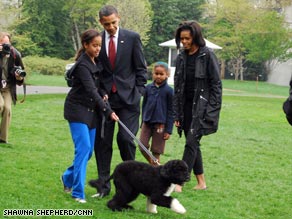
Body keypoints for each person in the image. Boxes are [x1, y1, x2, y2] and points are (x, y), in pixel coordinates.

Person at [90, 5, 147, 198]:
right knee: (103, 143)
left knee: (125, 139)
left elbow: (141, 69)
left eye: (113, 23)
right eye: (106, 24)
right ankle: (103, 187)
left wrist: (139, 91)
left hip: (129, 100)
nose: (111, 27)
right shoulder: (96, 40)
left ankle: (132, 183)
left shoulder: (132, 38)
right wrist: (100, 92)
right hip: (106, 100)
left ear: (119, 18)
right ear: (101, 23)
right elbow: (95, 69)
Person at [61, 29, 119, 203]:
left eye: (99, 46)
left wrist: (104, 93)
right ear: (85, 45)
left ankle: (67, 177)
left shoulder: (95, 62)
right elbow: (91, 90)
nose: (97, 49)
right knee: (84, 149)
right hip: (77, 110)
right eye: (94, 45)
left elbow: (98, 86)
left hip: (92, 113)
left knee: (88, 153)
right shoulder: (82, 65)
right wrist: (108, 111)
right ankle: (78, 193)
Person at [173, 21, 222, 192]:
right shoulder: (180, 57)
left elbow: (216, 85)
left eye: (187, 38)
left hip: (201, 106)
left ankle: (179, 182)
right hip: (185, 106)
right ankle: (201, 182)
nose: (184, 42)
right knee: (192, 142)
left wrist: (212, 111)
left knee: (191, 142)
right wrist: (177, 114)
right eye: (181, 39)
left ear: (195, 37)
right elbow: (177, 87)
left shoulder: (207, 55)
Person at [139, 61, 174, 166]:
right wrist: (142, 121)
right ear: (152, 73)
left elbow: (171, 111)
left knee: (156, 151)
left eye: (161, 74)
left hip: (160, 125)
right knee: (142, 145)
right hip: (147, 122)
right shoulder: (148, 88)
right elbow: (144, 105)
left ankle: (155, 169)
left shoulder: (169, 91)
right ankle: (155, 165)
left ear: (167, 75)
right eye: (156, 73)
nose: (158, 76)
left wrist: (168, 130)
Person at [0, 32, 25, 144]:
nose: (6, 46)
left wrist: (19, 77)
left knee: (7, 109)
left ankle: (2, 139)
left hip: (8, 87)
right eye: (2, 43)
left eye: (7, 43)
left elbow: (22, 73)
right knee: (0, 105)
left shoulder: (15, 54)